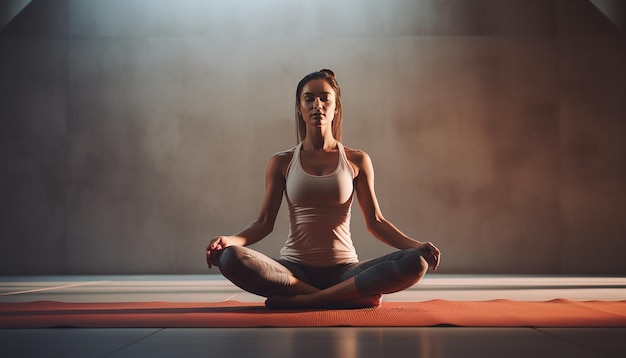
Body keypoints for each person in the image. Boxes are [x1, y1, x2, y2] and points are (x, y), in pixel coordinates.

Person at [206, 69, 441, 309]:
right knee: (231, 257)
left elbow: (376, 222)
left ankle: (310, 300)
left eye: (324, 98)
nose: (317, 104)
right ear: (299, 107)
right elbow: (264, 222)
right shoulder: (282, 162)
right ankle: (340, 297)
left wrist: (415, 245)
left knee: (416, 261)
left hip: (345, 271)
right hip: (293, 271)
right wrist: (229, 240)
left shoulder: (356, 160)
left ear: (336, 106)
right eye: (309, 98)